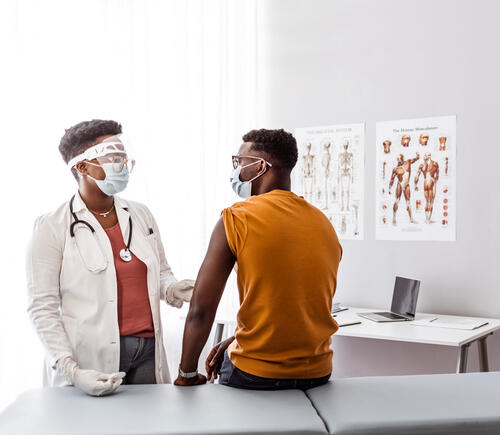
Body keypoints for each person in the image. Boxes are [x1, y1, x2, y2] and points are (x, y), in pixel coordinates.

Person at [27, 119, 194, 396]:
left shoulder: (141, 215)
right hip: (89, 357)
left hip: (148, 350)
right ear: (81, 167)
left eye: (123, 156)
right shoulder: (51, 226)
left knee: (149, 426)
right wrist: (71, 369)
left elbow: (160, 272)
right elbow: (41, 307)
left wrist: (174, 288)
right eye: (112, 157)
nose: (122, 163)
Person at [174, 128, 342, 390]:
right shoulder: (322, 222)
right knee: (229, 351)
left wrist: (186, 373)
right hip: (319, 372)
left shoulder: (237, 218)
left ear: (260, 167)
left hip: (255, 374)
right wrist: (235, 340)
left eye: (239, 163)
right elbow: (292, 303)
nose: (236, 170)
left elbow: (200, 311)